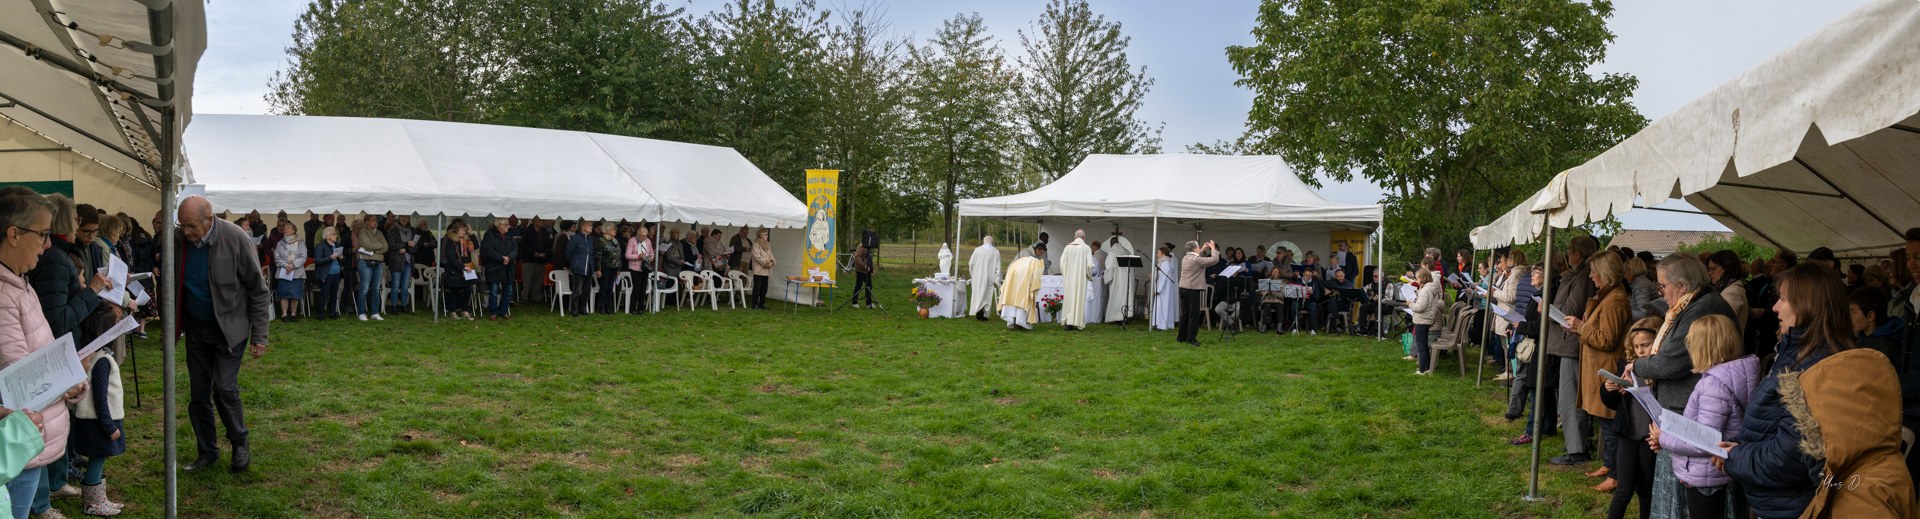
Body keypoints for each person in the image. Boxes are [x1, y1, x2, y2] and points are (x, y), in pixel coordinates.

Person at [1723, 264, 1914, 517]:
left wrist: (1735, 457)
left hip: (1795, 506)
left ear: (1807, 306)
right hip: (1778, 501)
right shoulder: (1796, 351)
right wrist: (1737, 448)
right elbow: (1774, 424)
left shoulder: (1819, 367)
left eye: (1783, 299)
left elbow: (1789, 458)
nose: (1775, 307)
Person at [174, 196, 269, 474]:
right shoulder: (179, 241)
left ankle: (239, 442)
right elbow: (170, 282)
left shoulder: (236, 238)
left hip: (230, 329)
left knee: (225, 388)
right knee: (199, 394)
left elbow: (258, 290)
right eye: (182, 226)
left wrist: (260, 335)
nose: (186, 232)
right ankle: (207, 452)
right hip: (196, 330)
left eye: (191, 226)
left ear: (209, 219)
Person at [1642, 314, 1757, 519]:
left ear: (1703, 347)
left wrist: (1663, 438)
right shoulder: (1732, 376)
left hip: (1706, 476)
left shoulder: (1713, 385)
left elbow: (1703, 441)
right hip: (1715, 473)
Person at [1563, 252, 1631, 478]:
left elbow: (1607, 339)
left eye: (1594, 271)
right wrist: (1579, 328)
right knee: (1605, 422)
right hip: (1600, 367)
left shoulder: (1614, 300)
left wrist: (1582, 326)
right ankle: (1609, 465)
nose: (1591, 276)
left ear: (1606, 273)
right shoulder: (1607, 296)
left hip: (1606, 369)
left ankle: (1614, 472)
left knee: (1609, 422)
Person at [1599, 316, 1664, 518]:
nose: (1641, 351)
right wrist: (1609, 389)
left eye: (1645, 345)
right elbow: (1613, 405)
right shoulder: (1627, 366)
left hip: (1649, 437)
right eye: (1636, 347)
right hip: (1627, 434)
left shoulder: (1663, 371)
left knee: (1646, 489)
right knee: (1623, 490)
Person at [28, 195, 111, 347]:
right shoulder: (54, 259)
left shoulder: (59, 254)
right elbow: (57, 321)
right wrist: (91, 291)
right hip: (60, 347)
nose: (77, 226)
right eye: (76, 220)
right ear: (65, 221)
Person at [1547, 236, 1600, 466]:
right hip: (1568, 343)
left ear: (1578, 254)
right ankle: (1576, 443)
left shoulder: (1582, 277)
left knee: (1571, 397)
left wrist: (1548, 308)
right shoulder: (1578, 274)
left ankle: (1577, 449)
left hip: (1571, 343)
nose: (1567, 254)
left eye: (1570, 250)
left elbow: (1570, 310)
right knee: (1570, 395)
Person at [69, 347, 126, 516]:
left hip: (96, 420)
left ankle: (99, 499)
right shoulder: (101, 360)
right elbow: (100, 397)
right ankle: (93, 503)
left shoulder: (97, 357)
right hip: (98, 421)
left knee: (99, 457)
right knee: (98, 457)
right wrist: (109, 425)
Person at [1177, 241, 1219, 346]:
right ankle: (1191, 339)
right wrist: (1213, 248)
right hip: (1192, 289)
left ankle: (1181, 337)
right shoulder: (1197, 260)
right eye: (1198, 247)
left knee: (1185, 314)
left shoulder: (1185, 258)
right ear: (1195, 248)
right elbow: (1214, 260)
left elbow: (1195, 256)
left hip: (1183, 288)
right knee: (1193, 315)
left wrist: (1203, 250)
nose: (1200, 248)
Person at [998, 242, 1046, 330]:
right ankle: (1019, 322)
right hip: (1020, 279)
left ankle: (1015, 321)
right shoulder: (1028, 255)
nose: (1041, 255)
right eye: (1042, 253)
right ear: (1038, 250)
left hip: (1015, 278)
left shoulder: (1032, 258)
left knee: (1015, 300)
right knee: (1021, 301)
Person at [353, 214, 388, 321]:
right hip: (364, 261)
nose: (375, 222)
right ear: (366, 222)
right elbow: (367, 245)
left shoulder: (380, 232)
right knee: (364, 288)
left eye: (376, 220)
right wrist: (378, 246)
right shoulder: (363, 232)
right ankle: (361, 313)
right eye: (373, 220)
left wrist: (373, 251)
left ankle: (375, 313)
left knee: (376, 289)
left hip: (378, 263)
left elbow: (386, 247)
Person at [440, 220, 476, 321]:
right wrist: (462, 267)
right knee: (454, 290)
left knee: (468, 289)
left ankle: (464, 310)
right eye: (461, 229)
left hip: (467, 268)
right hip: (455, 269)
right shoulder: (451, 241)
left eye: (465, 230)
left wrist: (471, 234)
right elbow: (451, 258)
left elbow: (476, 246)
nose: (463, 232)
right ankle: (452, 311)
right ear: (456, 230)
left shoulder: (466, 241)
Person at [1705, 250, 1750, 332]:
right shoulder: (1727, 288)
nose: (1709, 273)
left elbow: (1721, 325)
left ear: (1726, 268)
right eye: (1709, 269)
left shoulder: (1732, 292)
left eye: (1713, 269)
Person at [272, 222, 307, 323]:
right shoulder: (280, 243)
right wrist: (286, 265)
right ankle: (284, 314)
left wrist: (293, 265)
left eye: (288, 228)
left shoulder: (300, 242)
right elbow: (277, 257)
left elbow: (303, 256)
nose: (285, 229)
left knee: (295, 294)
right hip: (284, 271)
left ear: (293, 230)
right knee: (284, 294)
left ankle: (293, 314)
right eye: (284, 227)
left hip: (297, 272)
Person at [480, 219, 516, 320]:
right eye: (506, 224)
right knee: (494, 291)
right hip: (494, 267)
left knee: (508, 291)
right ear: (499, 225)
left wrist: (509, 258)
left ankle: (504, 311)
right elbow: (488, 250)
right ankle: (493, 312)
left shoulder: (509, 235)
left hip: (508, 267)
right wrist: (501, 258)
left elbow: (515, 249)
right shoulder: (489, 235)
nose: (509, 226)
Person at [1058, 231, 1093, 331]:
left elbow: (1062, 263)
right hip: (1080, 279)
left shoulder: (1067, 247)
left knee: (1069, 299)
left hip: (1069, 279)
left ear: (1074, 237)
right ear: (1084, 238)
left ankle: (1068, 322)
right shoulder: (1086, 248)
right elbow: (1089, 265)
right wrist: (1089, 276)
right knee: (1078, 299)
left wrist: (1066, 274)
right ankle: (1077, 322)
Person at [384, 216, 417, 313]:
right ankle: (394, 306)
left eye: (407, 217)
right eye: (403, 217)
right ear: (399, 218)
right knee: (396, 284)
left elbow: (415, 247)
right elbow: (391, 245)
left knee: (405, 284)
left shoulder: (411, 230)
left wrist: (407, 248)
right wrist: (406, 244)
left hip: (408, 260)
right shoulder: (393, 229)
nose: (405, 219)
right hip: (396, 261)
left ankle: (404, 305)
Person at [312, 227, 344, 320]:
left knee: (334, 294)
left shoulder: (337, 245)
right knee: (324, 293)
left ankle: (332, 312)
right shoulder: (320, 246)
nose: (336, 236)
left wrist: (342, 257)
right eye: (334, 234)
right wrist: (330, 258)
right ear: (327, 236)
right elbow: (318, 260)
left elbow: (342, 259)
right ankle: (320, 314)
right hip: (326, 273)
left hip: (337, 272)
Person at [1104, 235, 1136, 324]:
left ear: (1111, 244)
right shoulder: (1127, 251)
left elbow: (1109, 268)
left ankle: (1115, 318)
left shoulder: (1112, 253)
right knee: (1126, 298)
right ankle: (1125, 316)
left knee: (1117, 298)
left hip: (1117, 281)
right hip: (1128, 281)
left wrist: (1107, 278)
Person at [519, 218, 552, 304]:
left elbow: (549, 245)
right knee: (527, 280)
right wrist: (533, 253)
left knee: (539, 280)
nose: (542, 222)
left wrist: (545, 253)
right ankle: (524, 297)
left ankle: (536, 297)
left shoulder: (545, 232)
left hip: (541, 260)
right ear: (535, 221)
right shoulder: (527, 231)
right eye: (541, 220)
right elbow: (524, 244)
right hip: (529, 259)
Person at [968, 237, 1001, 320]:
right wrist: (997, 279)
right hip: (989, 277)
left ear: (984, 241)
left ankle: (978, 311)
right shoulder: (995, 251)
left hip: (977, 276)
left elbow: (971, 263)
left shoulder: (977, 250)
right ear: (992, 241)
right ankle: (983, 313)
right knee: (986, 295)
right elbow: (998, 267)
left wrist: (973, 274)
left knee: (978, 293)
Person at [566, 221, 595, 316]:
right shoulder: (575, 238)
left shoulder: (591, 239)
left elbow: (591, 253)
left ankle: (582, 307)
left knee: (587, 290)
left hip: (589, 268)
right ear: (583, 227)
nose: (591, 227)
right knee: (577, 290)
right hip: (578, 267)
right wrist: (574, 263)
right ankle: (574, 309)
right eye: (589, 226)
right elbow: (568, 253)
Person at [595, 223, 621, 314]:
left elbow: (618, 255)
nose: (615, 230)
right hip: (605, 268)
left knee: (610, 288)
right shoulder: (601, 241)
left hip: (614, 268)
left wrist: (618, 268)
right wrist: (598, 269)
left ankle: (608, 307)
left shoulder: (615, 241)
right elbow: (598, 256)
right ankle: (601, 308)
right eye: (613, 229)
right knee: (604, 288)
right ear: (606, 230)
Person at [1151, 243, 1178, 331]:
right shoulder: (1165, 263)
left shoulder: (1165, 264)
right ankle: (1159, 323)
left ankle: (1161, 325)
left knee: (1162, 307)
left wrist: (1158, 289)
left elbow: (1163, 278)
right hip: (1165, 289)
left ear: (1163, 253)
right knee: (1163, 306)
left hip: (1163, 289)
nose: (1157, 254)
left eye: (1158, 252)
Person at [749, 229, 776, 310]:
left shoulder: (767, 244)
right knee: (757, 288)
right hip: (759, 270)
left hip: (766, 270)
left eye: (767, 235)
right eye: (766, 235)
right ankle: (755, 304)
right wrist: (766, 263)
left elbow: (771, 255)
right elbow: (757, 257)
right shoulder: (756, 245)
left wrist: (773, 261)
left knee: (764, 288)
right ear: (760, 235)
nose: (767, 236)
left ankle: (762, 303)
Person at [848, 244, 875, 309]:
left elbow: (869, 259)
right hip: (860, 270)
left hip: (867, 271)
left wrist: (872, 269)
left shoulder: (869, 247)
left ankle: (868, 303)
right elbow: (857, 257)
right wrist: (864, 266)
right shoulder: (861, 246)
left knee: (869, 286)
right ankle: (854, 302)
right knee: (858, 286)